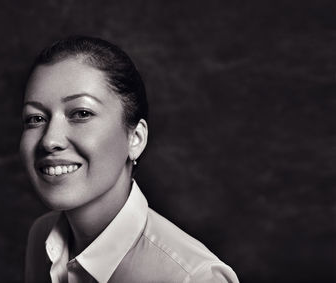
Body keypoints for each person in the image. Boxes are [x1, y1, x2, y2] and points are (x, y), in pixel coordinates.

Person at [20, 36, 239, 283]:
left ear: (135, 138)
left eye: (81, 113)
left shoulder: (196, 278)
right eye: (35, 118)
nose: (50, 140)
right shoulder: (42, 238)